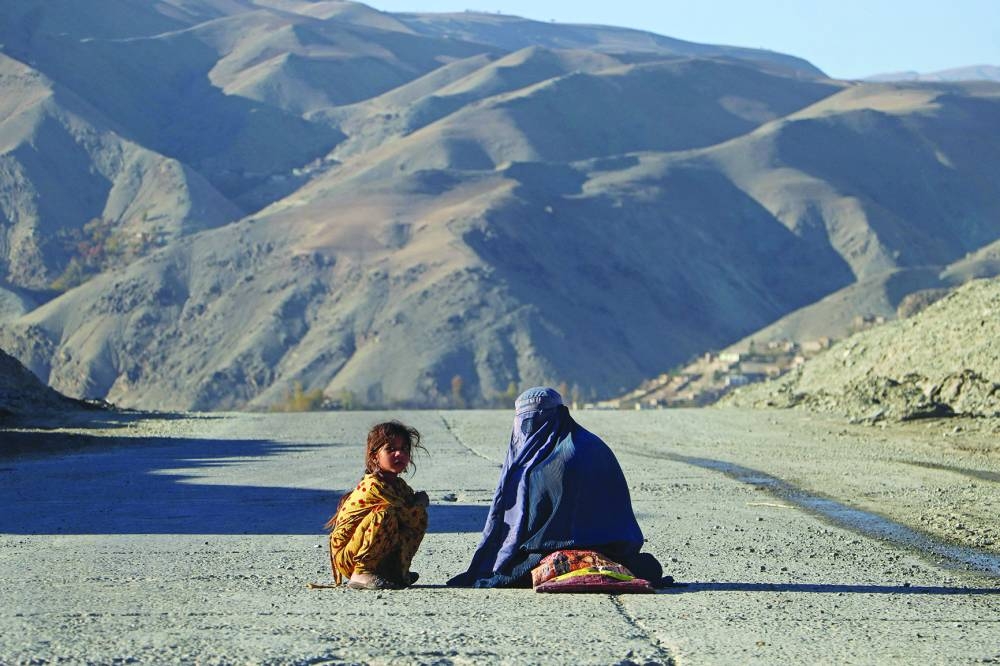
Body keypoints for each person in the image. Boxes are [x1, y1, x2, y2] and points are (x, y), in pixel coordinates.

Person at [448, 387, 663, 588]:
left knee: (511, 570)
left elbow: (520, 530)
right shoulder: (595, 445)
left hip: (550, 553)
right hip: (616, 552)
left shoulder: (534, 469)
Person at [326, 421, 429, 590]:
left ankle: (396, 571)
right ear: (375, 456)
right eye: (390, 449)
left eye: (404, 449)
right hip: (348, 557)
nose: (399, 454)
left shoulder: (398, 485)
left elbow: (411, 518)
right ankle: (361, 573)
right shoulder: (374, 486)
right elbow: (407, 515)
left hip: (364, 550)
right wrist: (419, 503)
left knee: (420, 515)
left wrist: (418, 506)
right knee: (386, 514)